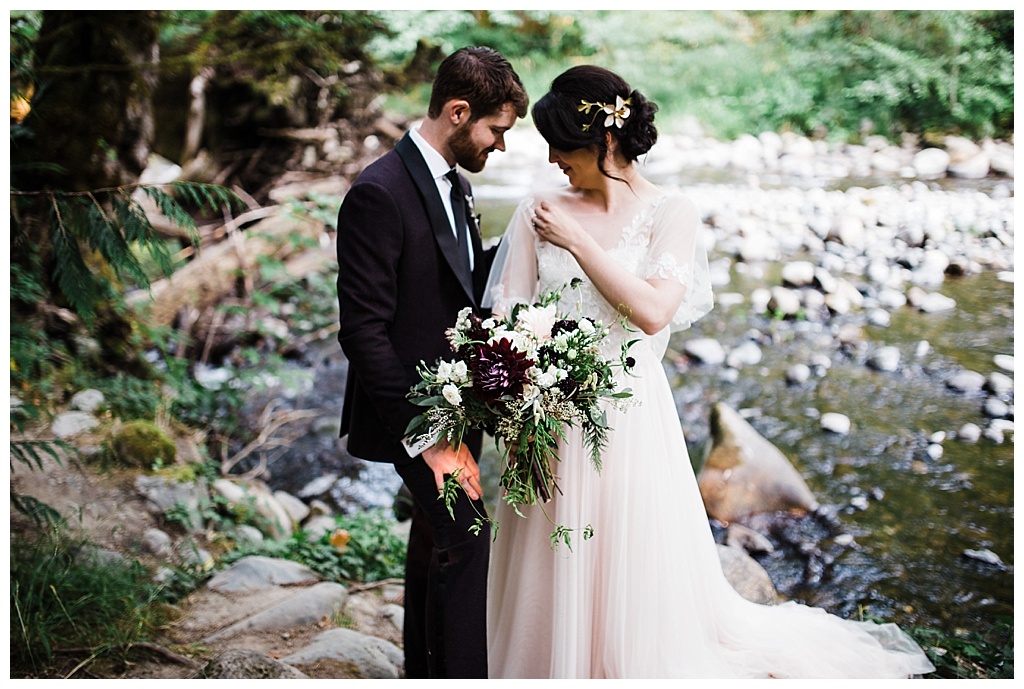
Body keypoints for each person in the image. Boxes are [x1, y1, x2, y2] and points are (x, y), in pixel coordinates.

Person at [483, 65, 935, 679]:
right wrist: (513, 391)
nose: (553, 157)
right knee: (546, 561)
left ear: (603, 140)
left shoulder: (672, 211)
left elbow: (652, 310)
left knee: (625, 562)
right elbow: (506, 314)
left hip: (627, 417)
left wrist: (580, 244)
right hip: (545, 419)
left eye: (562, 144)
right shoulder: (539, 210)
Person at [335, 46, 528, 679]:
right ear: (457, 111)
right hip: (410, 413)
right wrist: (430, 440)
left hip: (457, 401)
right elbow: (362, 332)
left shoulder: (458, 184)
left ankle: (423, 669)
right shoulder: (378, 192)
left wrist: (537, 244)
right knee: (469, 538)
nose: (500, 145)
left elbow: (460, 284)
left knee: (434, 540)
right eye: (496, 130)